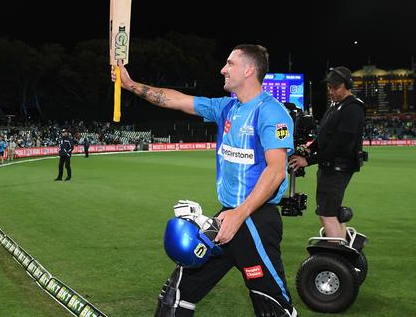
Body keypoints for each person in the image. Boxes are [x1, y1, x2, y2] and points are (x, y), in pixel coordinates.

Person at [112, 44, 297, 316]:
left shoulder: (272, 112)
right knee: (176, 296)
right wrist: (130, 85)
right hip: (226, 219)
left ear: (249, 70)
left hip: (255, 219)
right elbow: (176, 99)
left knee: (273, 308)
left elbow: (276, 170)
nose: (223, 69)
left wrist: (240, 214)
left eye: (230, 64)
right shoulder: (225, 108)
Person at [289, 66, 365, 239]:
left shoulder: (352, 109)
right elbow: (323, 138)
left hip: (337, 168)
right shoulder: (336, 107)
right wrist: (309, 149)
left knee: (327, 214)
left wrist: (308, 161)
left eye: (335, 87)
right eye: (329, 87)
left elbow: (339, 146)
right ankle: (342, 253)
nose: (331, 91)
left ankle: (336, 258)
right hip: (329, 167)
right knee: (332, 212)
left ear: (348, 85)